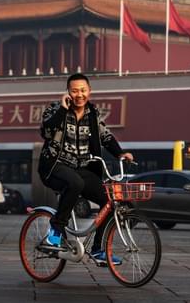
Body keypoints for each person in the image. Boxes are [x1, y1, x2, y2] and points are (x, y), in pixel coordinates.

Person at [38, 73, 133, 265]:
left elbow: (105, 136)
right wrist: (63, 110)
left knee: (108, 200)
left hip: (80, 167)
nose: (79, 94)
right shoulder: (55, 109)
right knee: (75, 183)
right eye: (74, 91)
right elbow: (46, 131)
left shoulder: (93, 114)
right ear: (68, 93)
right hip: (54, 166)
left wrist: (120, 153)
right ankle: (54, 232)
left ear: (89, 91)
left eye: (83, 90)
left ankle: (99, 249)